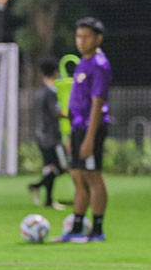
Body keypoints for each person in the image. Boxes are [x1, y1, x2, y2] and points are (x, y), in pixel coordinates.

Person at [53, 17, 111, 243]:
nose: (81, 41)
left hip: (91, 129)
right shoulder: (83, 63)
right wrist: (72, 135)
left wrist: (89, 138)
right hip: (78, 129)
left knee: (93, 176)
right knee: (78, 177)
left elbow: (97, 103)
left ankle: (97, 230)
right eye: (79, 36)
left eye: (86, 37)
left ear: (98, 39)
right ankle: (76, 228)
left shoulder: (99, 64)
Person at [27, 58, 67, 211]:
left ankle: (49, 201)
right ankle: (36, 186)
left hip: (41, 134)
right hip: (51, 136)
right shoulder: (51, 92)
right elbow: (56, 112)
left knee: (50, 168)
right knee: (62, 167)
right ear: (56, 72)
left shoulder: (39, 92)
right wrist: (72, 115)